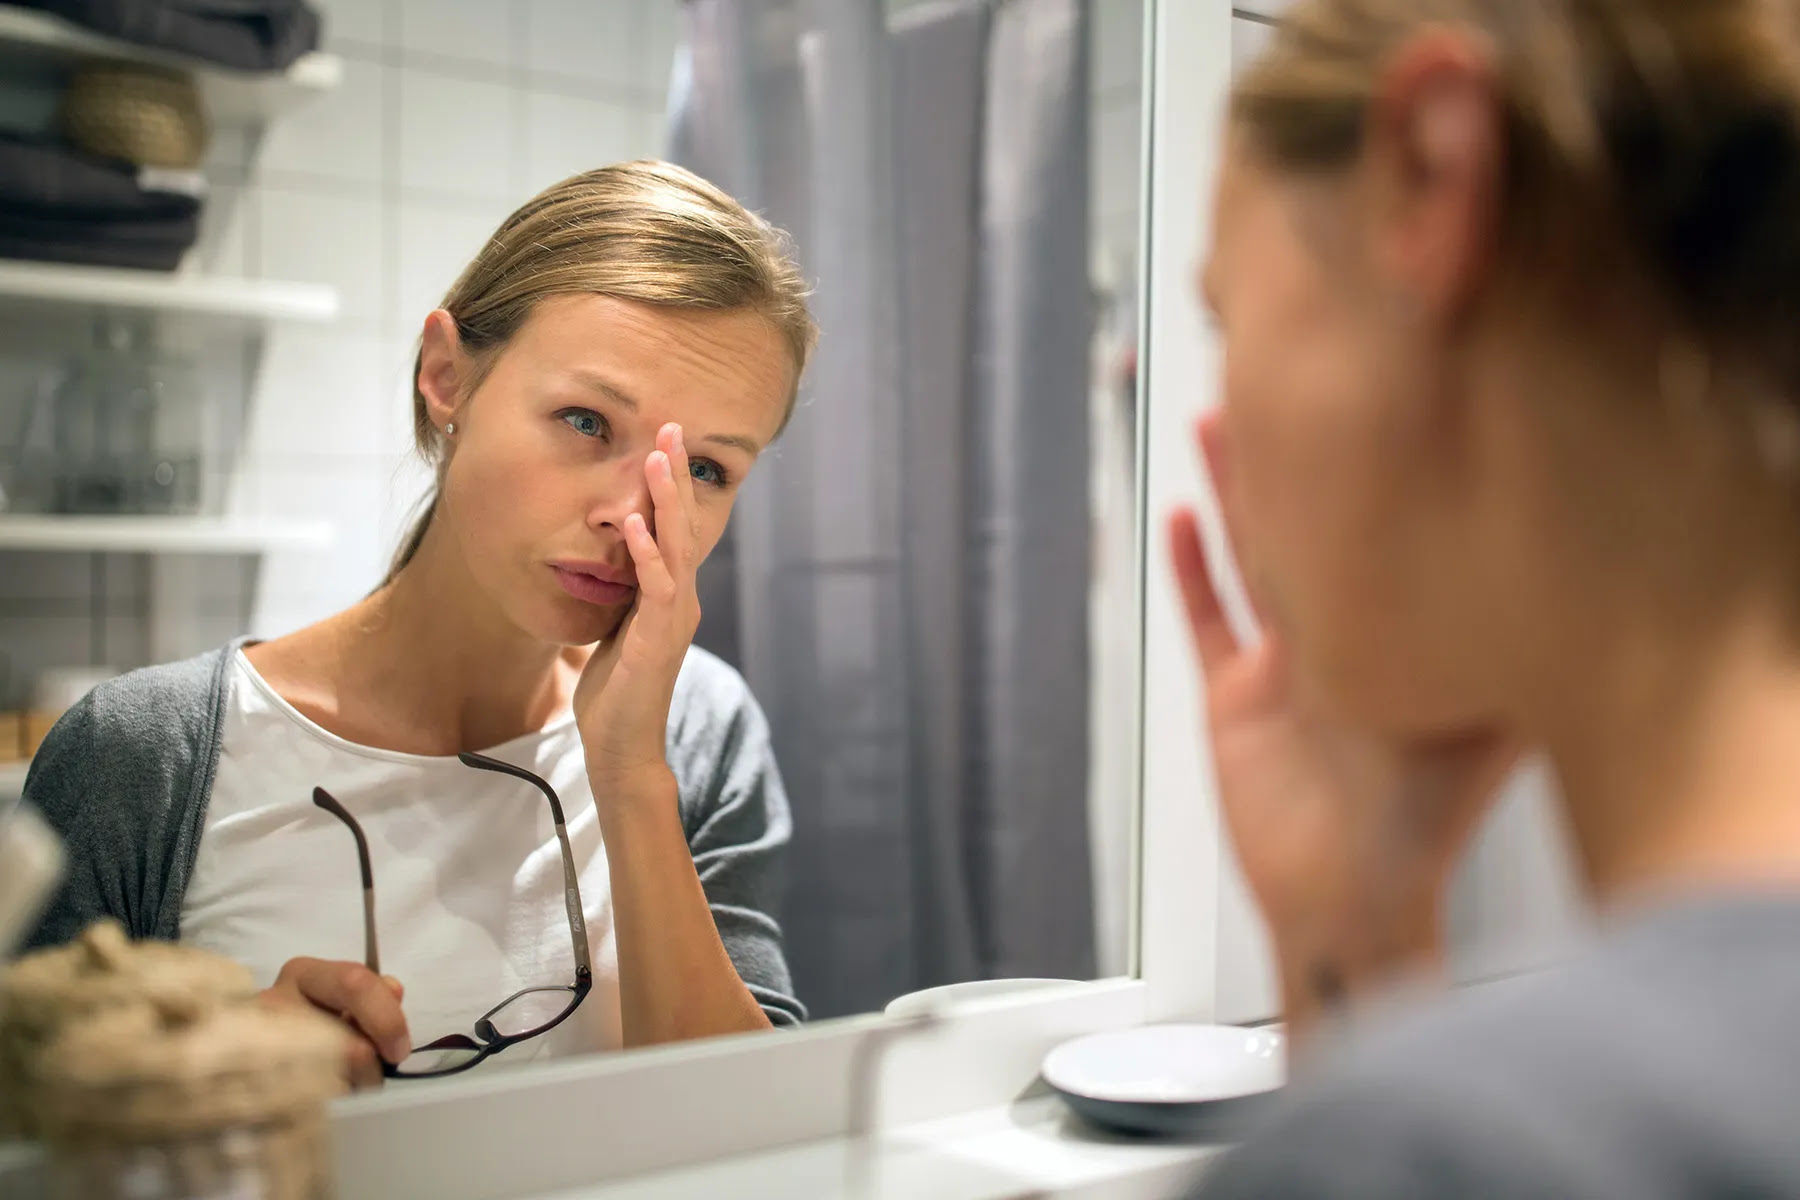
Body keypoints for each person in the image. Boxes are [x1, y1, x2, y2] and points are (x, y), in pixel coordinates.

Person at [1174, 1, 1800, 1195]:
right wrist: (1353, 932)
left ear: (1435, 172)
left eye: (1224, 315)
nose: (1220, 414)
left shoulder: (1465, 1150)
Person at [23, 161, 817, 1088]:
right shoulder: (141, 757)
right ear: (446, 376)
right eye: (585, 420)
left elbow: (754, 1124)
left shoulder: (700, 728)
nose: (633, 515)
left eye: (708, 470)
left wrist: (633, 776)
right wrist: (208, 1068)